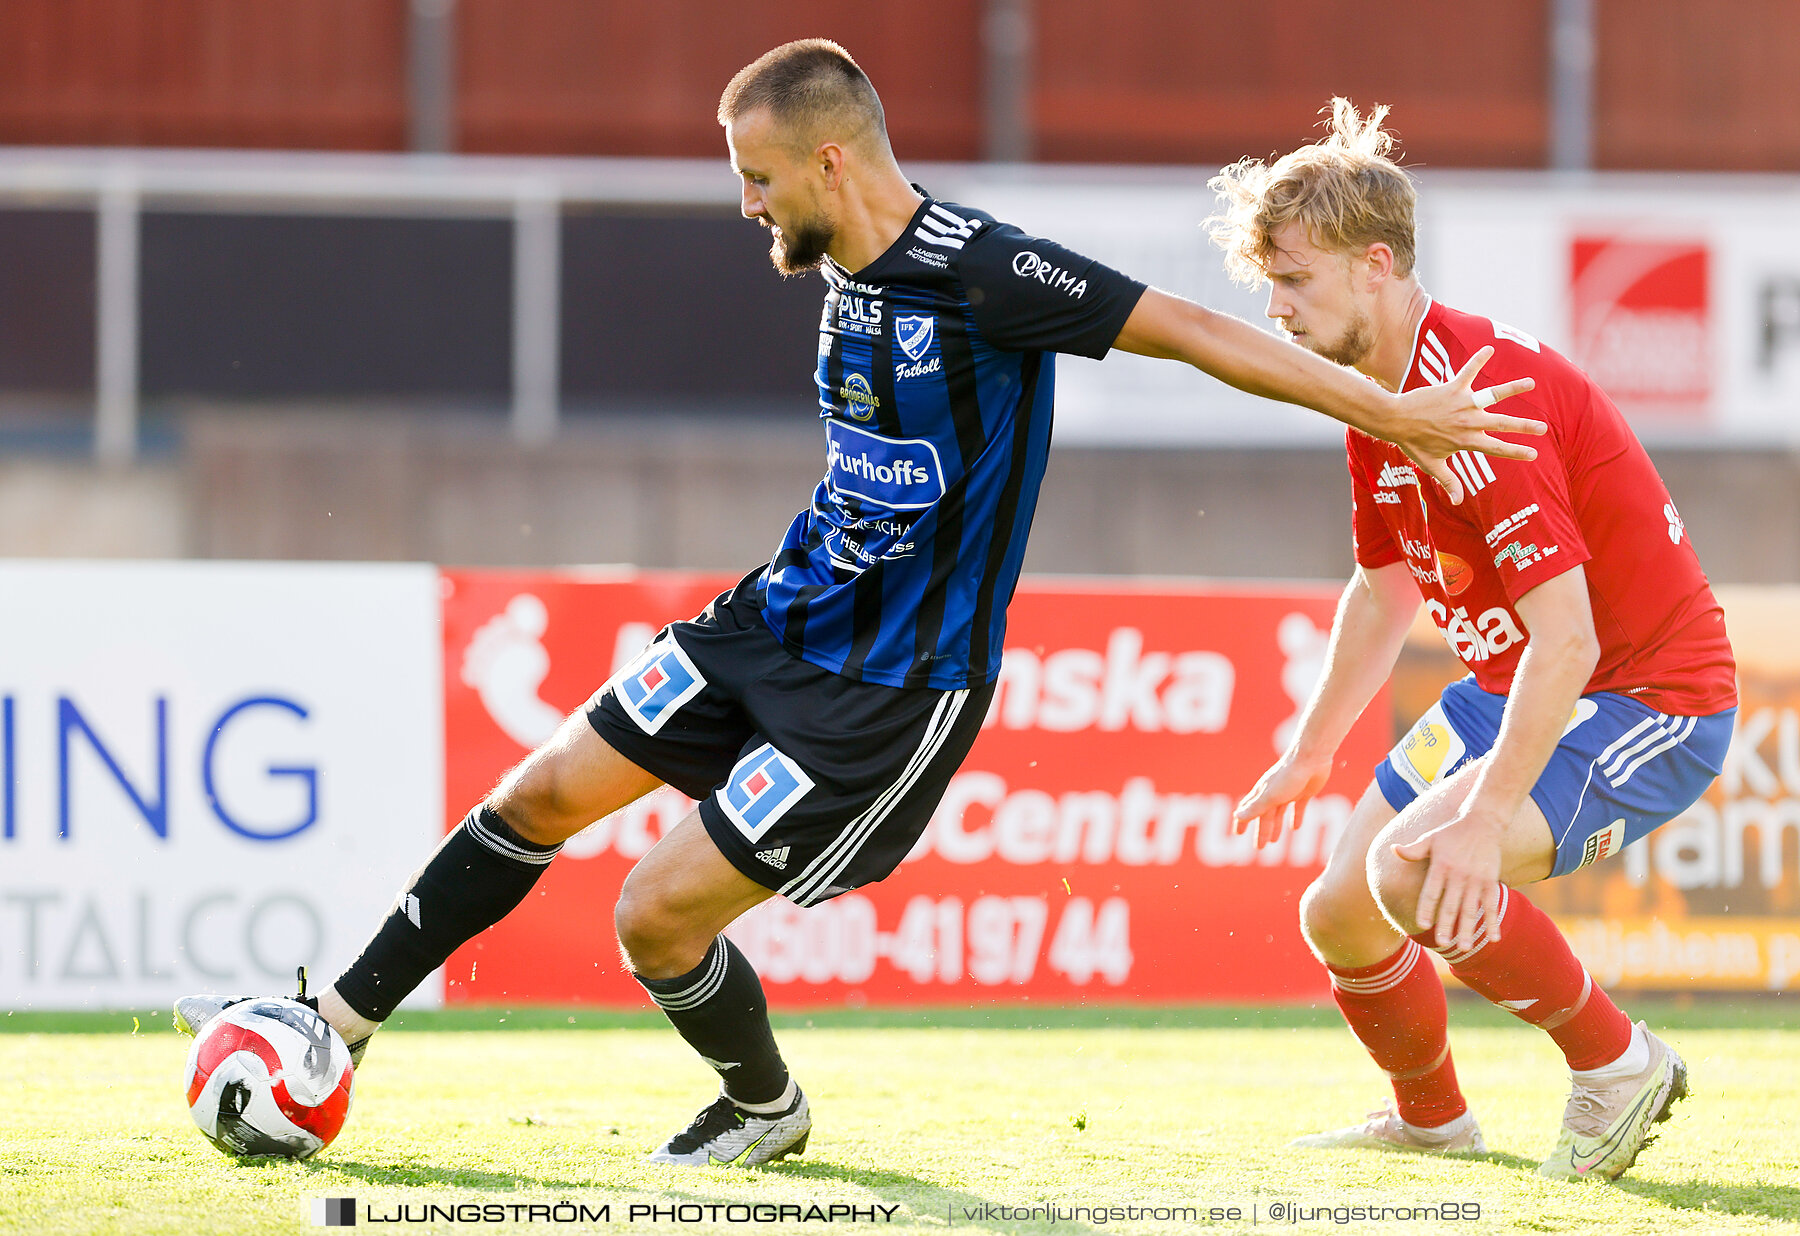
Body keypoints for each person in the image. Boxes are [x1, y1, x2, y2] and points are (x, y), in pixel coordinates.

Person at [174, 44, 1541, 1169]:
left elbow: (1193, 332)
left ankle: (766, 1108)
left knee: (651, 916)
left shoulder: (988, 273)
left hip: (891, 694)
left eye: (759, 180)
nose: (750, 207)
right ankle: (332, 1026)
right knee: (536, 795)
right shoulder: (837, 266)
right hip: (773, 621)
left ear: (831, 159)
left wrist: (1387, 412)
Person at [1222, 99, 1737, 1182]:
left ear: (1376, 267)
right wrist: (1314, 745)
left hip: (1649, 700)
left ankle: (1617, 1064)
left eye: (1295, 280)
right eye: (1268, 283)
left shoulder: (1478, 402)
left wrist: (1486, 813)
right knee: (1342, 914)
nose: (1276, 308)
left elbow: (1570, 642)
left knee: (1417, 872)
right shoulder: (1382, 397)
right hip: (1518, 686)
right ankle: (1431, 1119)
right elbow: (1384, 583)